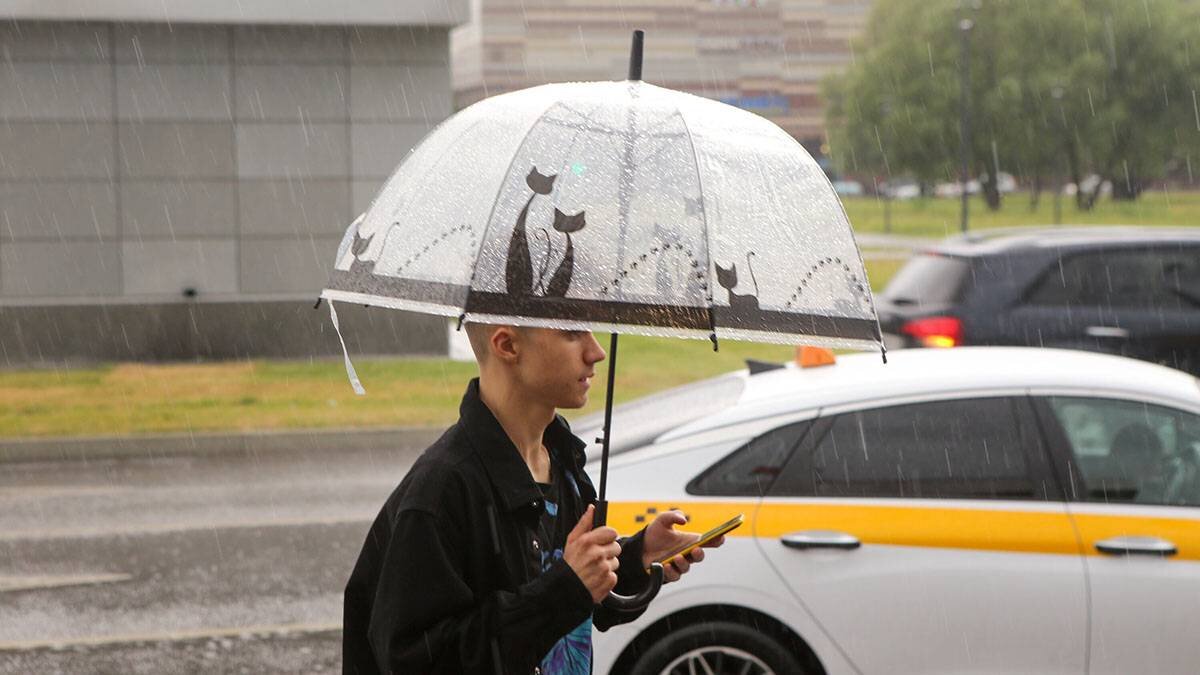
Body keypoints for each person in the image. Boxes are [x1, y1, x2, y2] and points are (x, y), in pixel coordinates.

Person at [343, 324, 723, 674]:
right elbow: (418, 662)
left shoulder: (562, 459)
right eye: (573, 333)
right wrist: (565, 590)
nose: (596, 352)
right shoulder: (443, 489)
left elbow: (568, 596)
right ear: (507, 345)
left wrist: (635, 559)